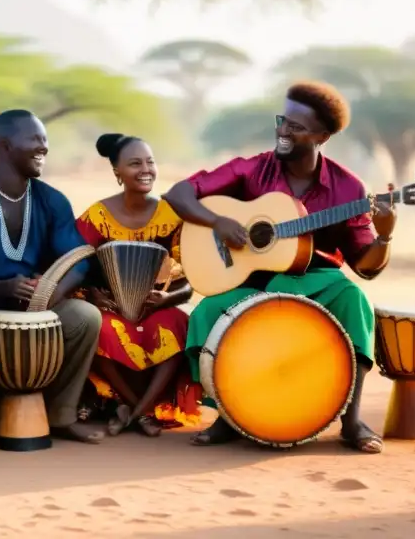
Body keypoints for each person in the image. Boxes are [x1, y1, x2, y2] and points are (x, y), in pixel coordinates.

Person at [164, 82, 395, 454]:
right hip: (253, 281)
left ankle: (351, 420)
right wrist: (218, 222)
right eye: (282, 121)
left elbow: (366, 267)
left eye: (296, 127)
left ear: (322, 136)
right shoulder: (252, 169)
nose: (283, 131)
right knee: (206, 312)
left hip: (315, 279)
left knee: (355, 299)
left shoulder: (349, 189)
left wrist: (383, 239)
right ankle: (228, 414)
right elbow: (178, 194)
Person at [0, 110, 104, 450]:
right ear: (4, 145)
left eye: (45, 140)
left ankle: (62, 414)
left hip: (37, 304)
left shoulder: (52, 200)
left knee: (85, 317)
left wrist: (50, 293)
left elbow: (79, 260)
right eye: (34, 139)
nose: (43, 147)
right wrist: (0, 288)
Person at [74, 133, 202, 437]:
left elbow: (191, 281)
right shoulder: (97, 216)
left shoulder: (171, 216)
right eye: (134, 163)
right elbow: (76, 265)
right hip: (113, 308)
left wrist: (168, 299)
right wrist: (91, 295)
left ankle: (135, 411)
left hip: (157, 306)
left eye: (150, 162)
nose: (145, 169)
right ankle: (139, 409)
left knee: (177, 324)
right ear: (117, 172)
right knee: (98, 328)